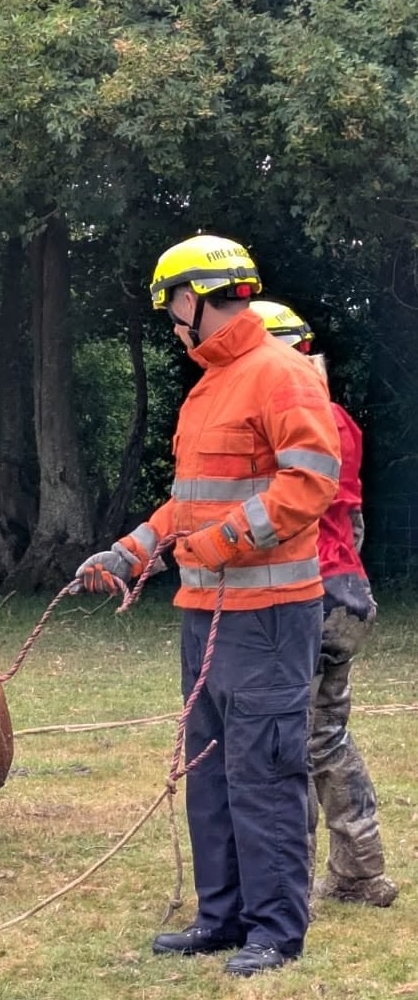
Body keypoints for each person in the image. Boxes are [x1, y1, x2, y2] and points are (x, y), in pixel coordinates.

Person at [76, 234, 341, 976]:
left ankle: (274, 932)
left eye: (170, 305)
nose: (169, 320)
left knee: (262, 772)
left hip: (268, 616)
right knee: (209, 769)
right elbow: (188, 501)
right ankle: (220, 917)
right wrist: (134, 547)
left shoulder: (280, 374)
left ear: (196, 295)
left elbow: (308, 482)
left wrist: (222, 542)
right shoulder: (207, 386)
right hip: (205, 615)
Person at [252, 299, 398, 908]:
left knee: (286, 739)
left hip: (305, 596)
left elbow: (277, 514)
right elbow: (353, 520)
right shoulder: (340, 418)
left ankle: (290, 882)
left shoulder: (291, 417)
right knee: (327, 737)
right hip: (346, 595)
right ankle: (360, 871)